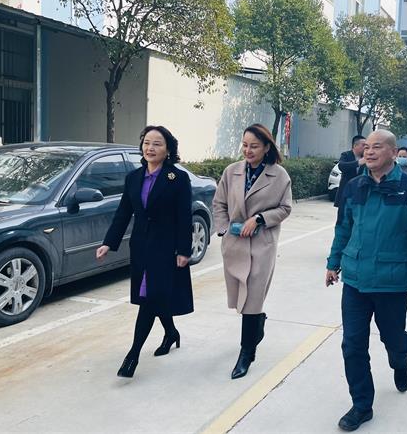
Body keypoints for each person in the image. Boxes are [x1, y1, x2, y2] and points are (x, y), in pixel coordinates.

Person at [326, 130, 407, 431]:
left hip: (391, 282)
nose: (369, 152)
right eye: (366, 147)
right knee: (352, 345)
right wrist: (333, 263)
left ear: (393, 152)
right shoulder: (354, 187)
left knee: (393, 339)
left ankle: (400, 360)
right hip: (355, 281)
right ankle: (362, 405)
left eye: (377, 147)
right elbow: (343, 228)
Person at [96, 125, 194, 378]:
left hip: (166, 248)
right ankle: (171, 333)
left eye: (157, 144)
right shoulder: (134, 177)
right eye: (146, 143)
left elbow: (184, 216)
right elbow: (123, 213)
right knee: (154, 296)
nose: (150, 148)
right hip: (141, 247)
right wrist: (109, 242)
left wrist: (184, 250)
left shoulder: (177, 178)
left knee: (150, 298)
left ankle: (133, 355)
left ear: (168, 149)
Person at [213, 123, 292, 379]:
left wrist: (259, 219)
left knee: (252, 299)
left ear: (267, 147)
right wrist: (224, 230)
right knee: (241, 297)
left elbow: (285, 208)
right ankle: (258, 324)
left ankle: (246, 353)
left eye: (254, 146)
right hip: (235, 243)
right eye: (245, 145)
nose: (248, 150)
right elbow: (219, 203)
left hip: (262, 245)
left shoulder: (279, 176)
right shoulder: (231, 171)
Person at [334, 135, 367, 207]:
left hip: (359, 192)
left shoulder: (366, 157)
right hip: (346, 189)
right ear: (355, 145)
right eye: (363, 145)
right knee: (343, 212)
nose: (365, 147)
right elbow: (341, 166)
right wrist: (358, 163)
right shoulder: (346, 155)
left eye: (366, 145)